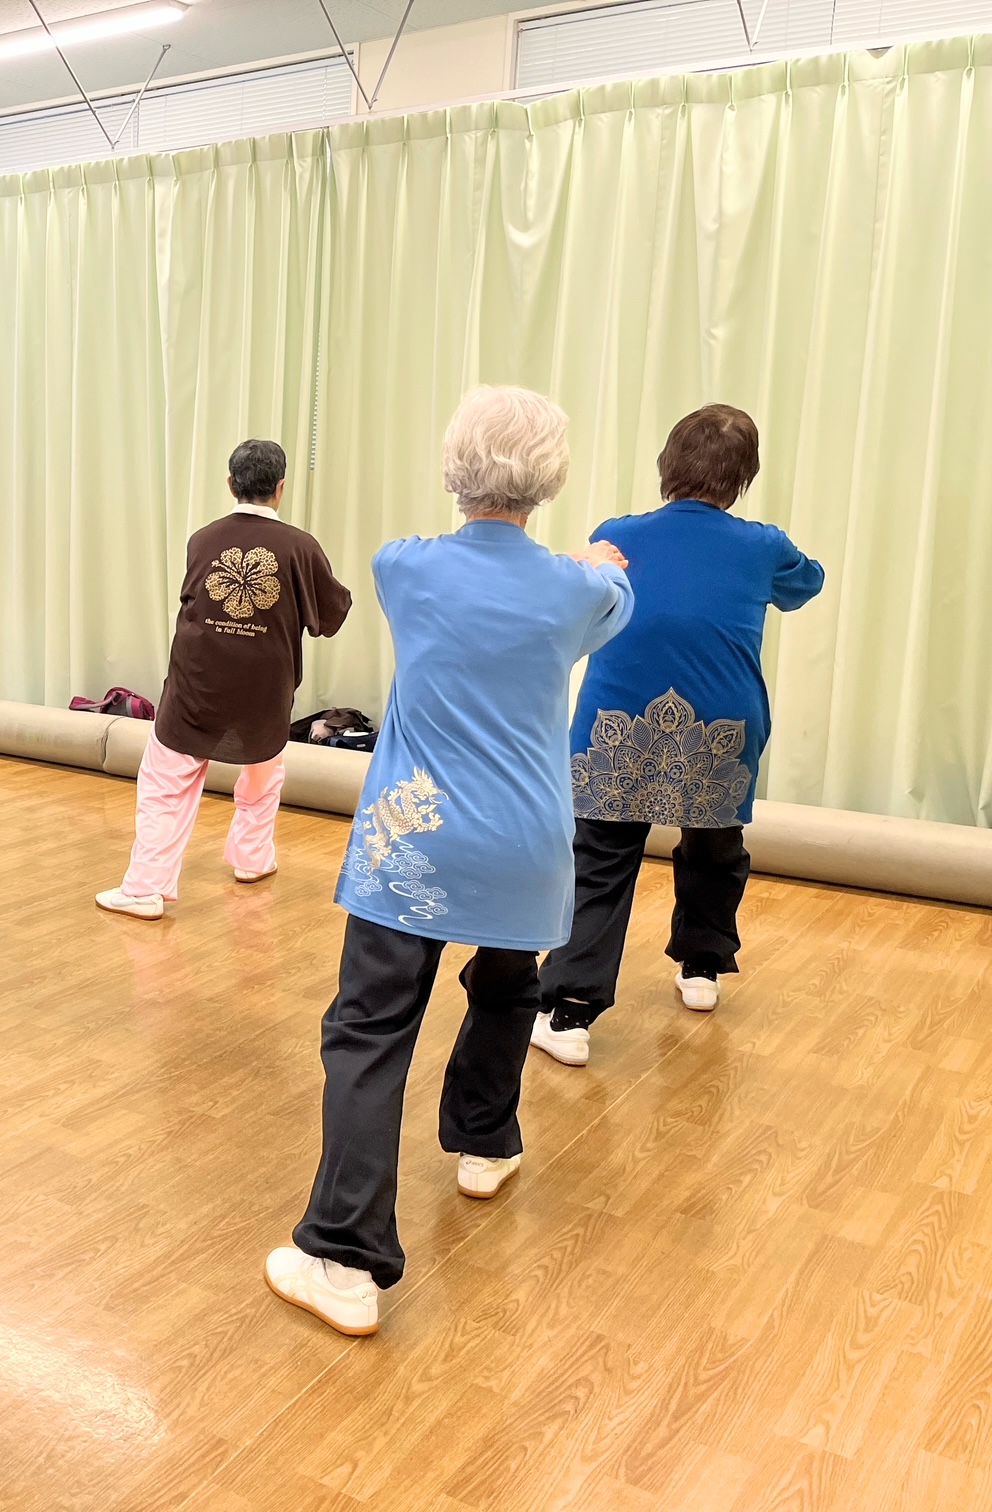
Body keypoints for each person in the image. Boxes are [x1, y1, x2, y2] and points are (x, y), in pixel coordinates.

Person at [265, 386, 634, 1337]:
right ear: (551, 479)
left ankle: (344, 1258)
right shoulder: (582, 590)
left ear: (453, 469)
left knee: (370, 1029)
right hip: (526, 846)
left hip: (415, 841)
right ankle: (484, 1142)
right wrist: (592, 561)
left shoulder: (405, 565)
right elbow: (611, 600)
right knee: (508, 987)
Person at [530, 404, 824, 1067]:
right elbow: (806, 583)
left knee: (600, 859)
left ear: (667, 465)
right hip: (723, 722)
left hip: (616, 721)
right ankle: (702, 966)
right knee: (714, 845)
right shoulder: (764, 546)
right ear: (744, 477)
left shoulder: (617, 533)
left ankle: (569, 1012)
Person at [95, 439, 352, 920]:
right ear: (280, 487)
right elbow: (332, 615)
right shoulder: (301, 547)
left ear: (231, 484)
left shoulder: (203, 538)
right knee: (263, 773)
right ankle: (252, 859)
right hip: (266, 689)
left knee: (166, 783)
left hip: (197, 685)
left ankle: (145, 888)